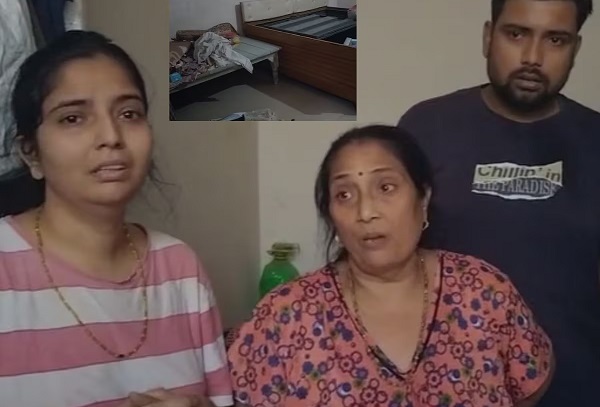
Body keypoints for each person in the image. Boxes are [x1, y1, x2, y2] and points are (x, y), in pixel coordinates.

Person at [227, 125, 554, 407]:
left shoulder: (483, 291)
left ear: (423, 199)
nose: (366, 212)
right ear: (331, 217)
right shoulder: (284, 314)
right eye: (344, 195)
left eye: (385, 187)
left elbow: (530, 384)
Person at [0, 30, 233, 407]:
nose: (111, 136)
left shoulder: (180, 268)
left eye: (129, 114)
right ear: (31, 153)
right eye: (73, 118)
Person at [396, 0, 600, 405]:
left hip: (578, 388)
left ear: (575, 49)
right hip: (452, 392)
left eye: (555, 40)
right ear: (489, 36)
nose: (532, 57)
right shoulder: (425, 128)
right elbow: (388, 267)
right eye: (516, 33)